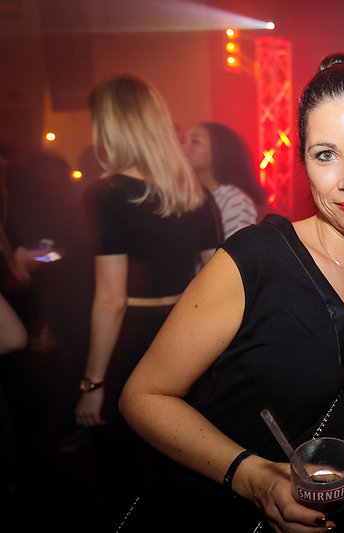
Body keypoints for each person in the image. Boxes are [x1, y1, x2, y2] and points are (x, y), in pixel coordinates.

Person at [118, 53, 344, 533]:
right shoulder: (255, 258)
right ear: (303, 161)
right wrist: (253, 478)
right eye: (326, 155)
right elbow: (143, 396)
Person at [73, 74, 223, 526]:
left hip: (131, 341)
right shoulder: (195, 192)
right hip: (186, 335)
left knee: (120, 471)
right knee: (179, 467)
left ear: (111, 126)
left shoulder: (108, 194)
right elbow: (217, 279)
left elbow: (111, 300)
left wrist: (92, 385)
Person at [184, 122, 268, 239]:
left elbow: (237, 248)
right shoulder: (188, 195)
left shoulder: (234, 200)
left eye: (195, 141)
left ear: (219, 150)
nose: (184, 148)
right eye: (183, 141)